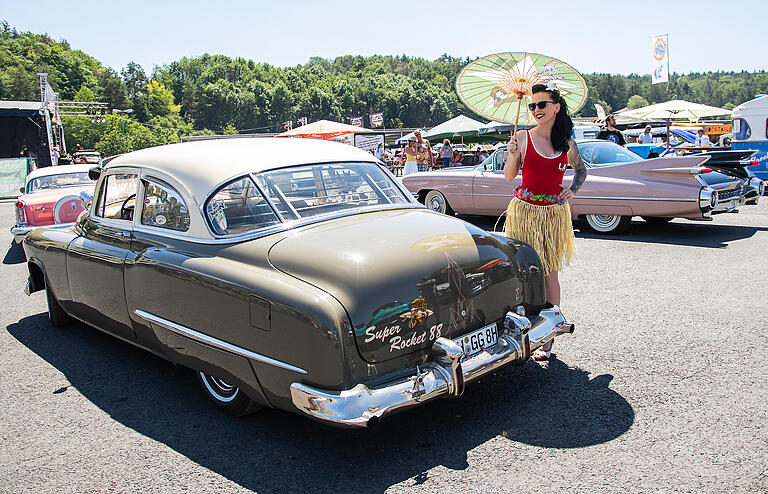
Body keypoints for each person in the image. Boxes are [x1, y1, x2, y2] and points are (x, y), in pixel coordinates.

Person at [504, 83, 588, 361]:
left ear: (556, 107)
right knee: (524, 271)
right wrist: (511, 153)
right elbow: (509, 176)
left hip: (553, 215)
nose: (536, 110)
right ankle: (519, 329)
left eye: (542, 105)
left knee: (550, 272)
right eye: (532, 105)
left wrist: (572, 190)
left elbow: (581, 170)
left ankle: (548, 337)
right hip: (525, 213)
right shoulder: (523, 137)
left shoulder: (566, 142)